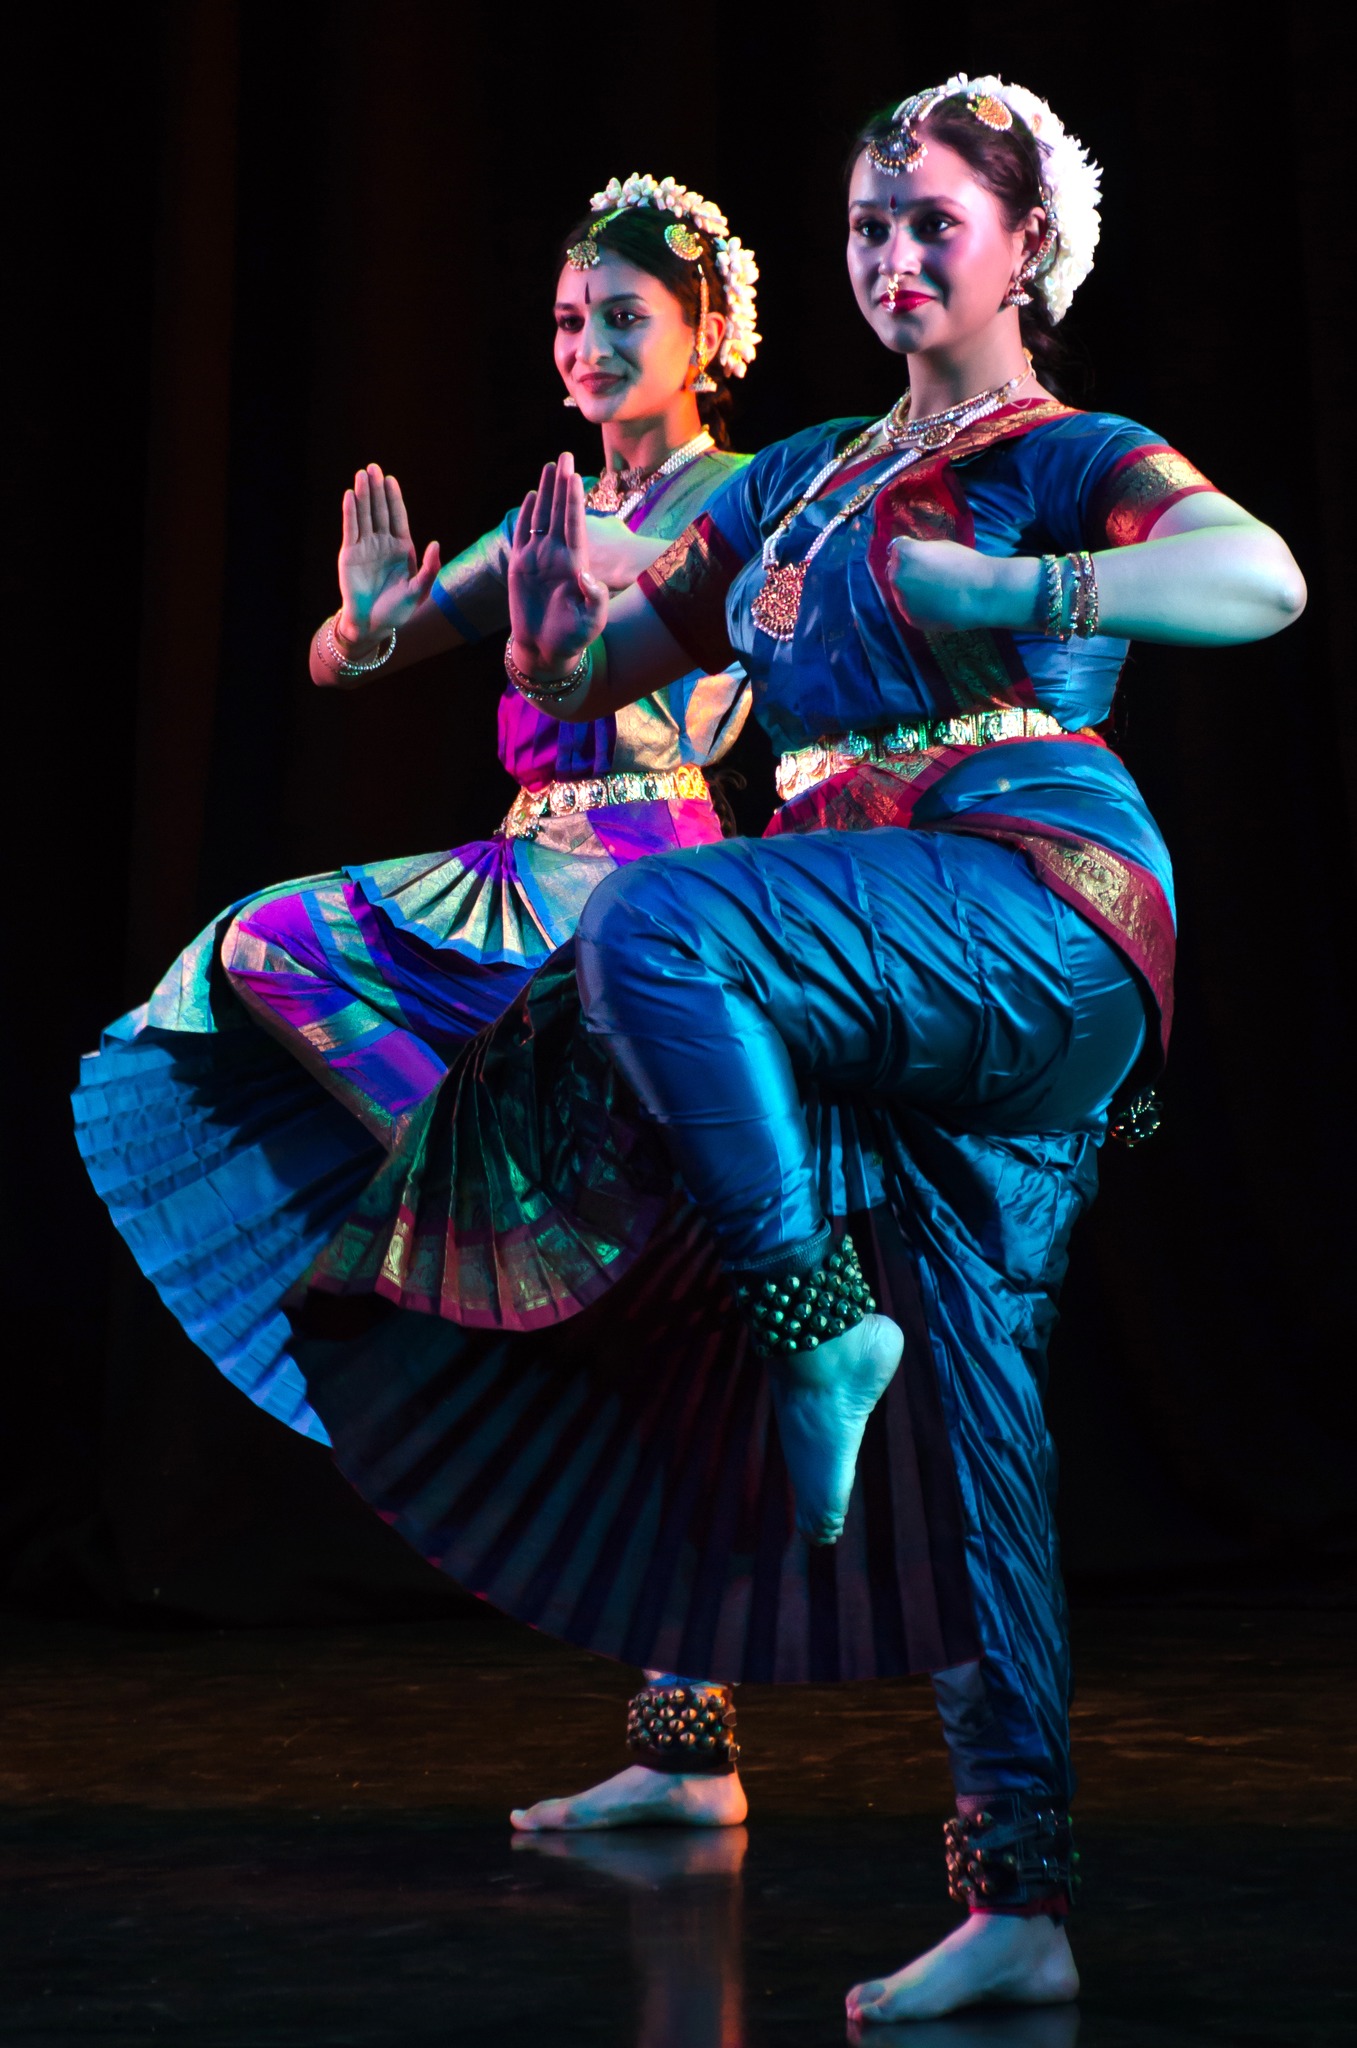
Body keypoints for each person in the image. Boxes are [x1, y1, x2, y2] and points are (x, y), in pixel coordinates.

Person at [311, 75, 1304, 2019]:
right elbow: (615, 661)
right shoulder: (802, 477)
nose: (894, 252)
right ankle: (1018, 1894)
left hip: (1032, 900)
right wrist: (521, 631)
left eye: (935, 219)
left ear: (1025, 245)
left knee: (657, 926)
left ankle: (810, 1320)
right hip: (874, 956)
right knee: (972, 1426)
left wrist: (1013, 588)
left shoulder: (1063, 452)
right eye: (868, 223)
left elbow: (1255, 577)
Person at [73, 174, 760, 1455]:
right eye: (570, 321)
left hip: (650, 875)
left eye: (624, 317)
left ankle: (646, 1366)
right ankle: (486, 1189)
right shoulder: (551, 514)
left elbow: (752, 630)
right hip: (522, 863)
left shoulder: (743, 498)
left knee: (680, 1197)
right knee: (264, 946)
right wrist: (364, 620)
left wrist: (616, 589)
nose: (590, 346)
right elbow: (343, 664)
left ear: (706, 333)